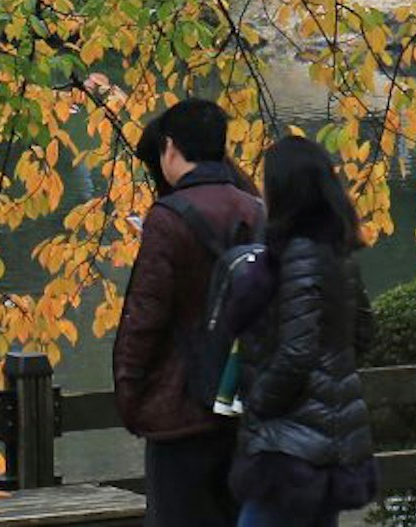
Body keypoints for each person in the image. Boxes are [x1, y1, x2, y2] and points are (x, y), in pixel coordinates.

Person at [210, 135, 378, 527]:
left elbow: (297, 352)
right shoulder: (336, 254)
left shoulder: (298, 257)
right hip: (326, 439)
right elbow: (364, 332)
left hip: (291, 444)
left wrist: (260, 400)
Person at [112, 97, 264, 527]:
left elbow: (144, 319)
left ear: (171, 147)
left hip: (179, 412)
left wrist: (131, 399)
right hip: (241, 404)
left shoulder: (168, 219)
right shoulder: (256, 209)